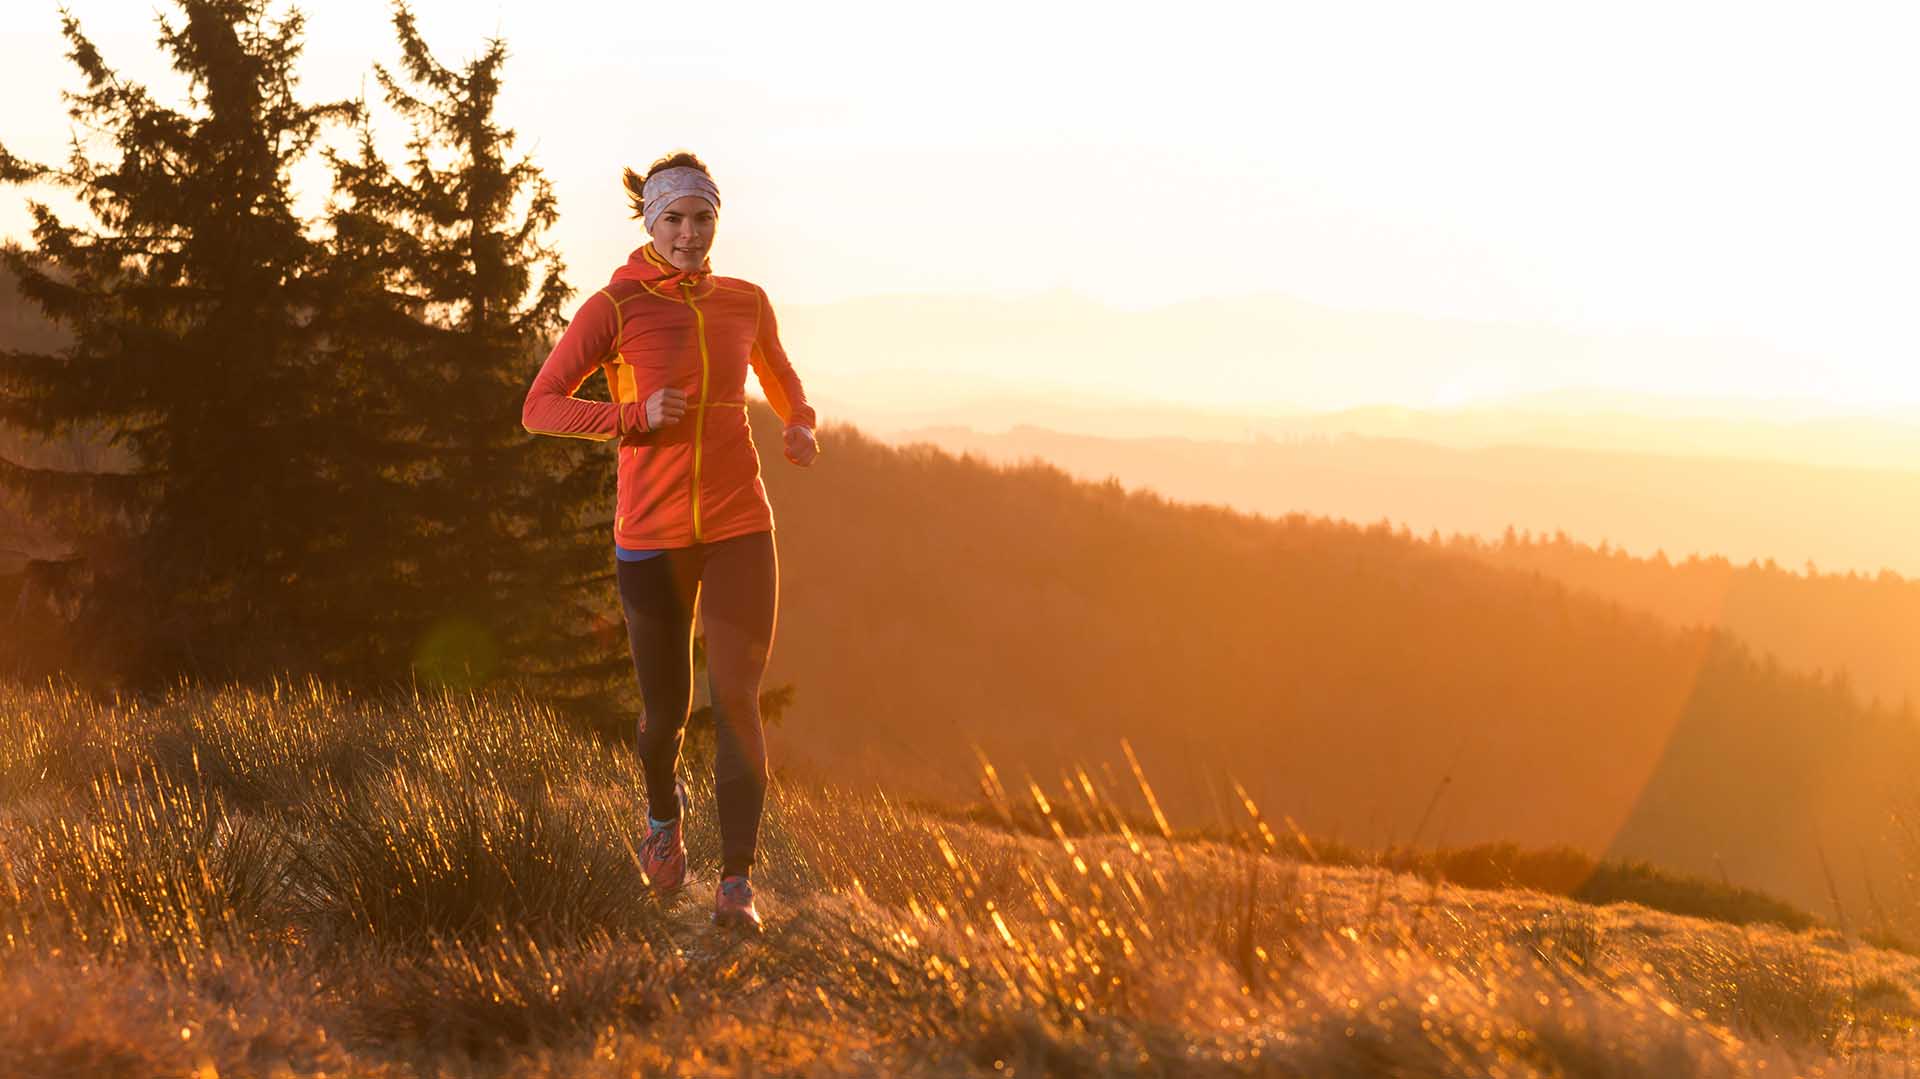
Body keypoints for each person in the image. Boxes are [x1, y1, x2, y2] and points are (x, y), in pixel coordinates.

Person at [521, 151, 818, 934]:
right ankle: (663, 813)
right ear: (650, 223)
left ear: (717, 219)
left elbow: (780, 375)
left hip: (739, 526)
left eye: (703, 217)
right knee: (664, 717)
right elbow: (541, 406)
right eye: (675, 219)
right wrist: (631, 416)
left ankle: (736, 881)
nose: (690, 234)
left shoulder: (746, 301)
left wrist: (799, 423)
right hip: (649, 536)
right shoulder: (613, 309)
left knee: (738, 700)